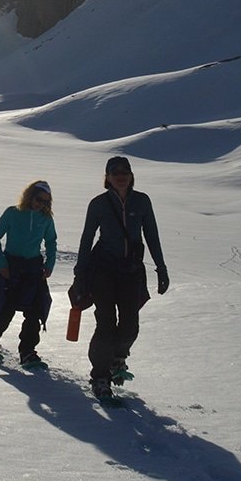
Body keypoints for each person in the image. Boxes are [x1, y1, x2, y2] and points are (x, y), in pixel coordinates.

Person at [71, 155, 169, 400]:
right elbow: (86, 239)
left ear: (131, 175)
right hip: (103, 269)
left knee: (129, 326)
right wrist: (80, 274)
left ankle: (117, 358)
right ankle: (100, 377)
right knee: (105, 323)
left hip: (131, 271)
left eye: (125, 172)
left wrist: (161, 267)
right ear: (108, 178)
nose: (121, 176)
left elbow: (152, 235)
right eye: (115, 173)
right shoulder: (99, 204)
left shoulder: (142, 201)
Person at [0, 180, 57, 367]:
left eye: (46, 201)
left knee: (34, 311)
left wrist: (49, 264)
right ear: (30, 196)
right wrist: (2, 264)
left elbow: (51, 242)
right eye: (39, 199)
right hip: (11, 266)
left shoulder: (46, 218)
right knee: (6, 308)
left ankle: (28, 351)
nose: (41, 204)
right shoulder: (12, 213)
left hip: (33, 268)